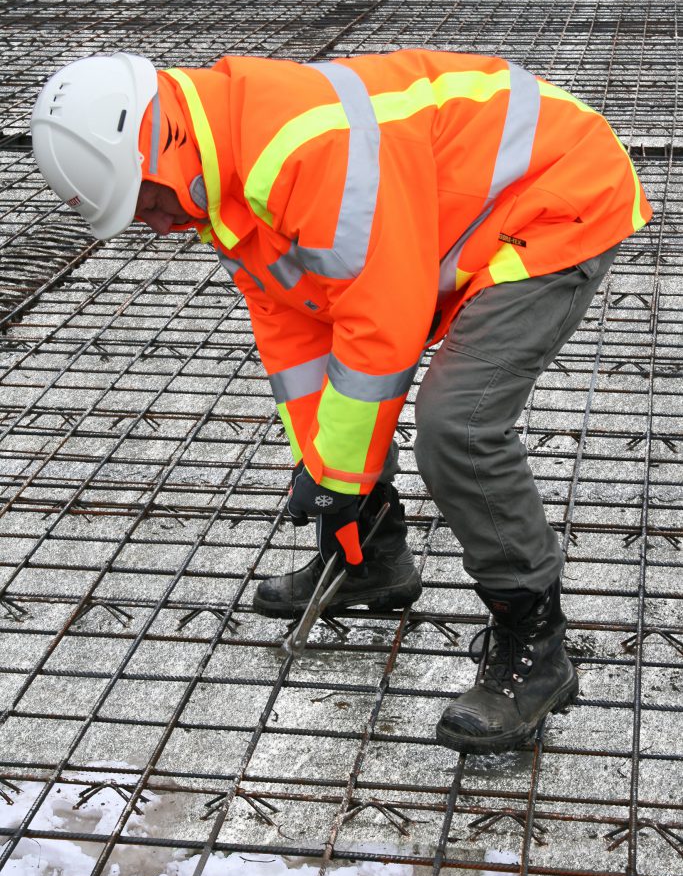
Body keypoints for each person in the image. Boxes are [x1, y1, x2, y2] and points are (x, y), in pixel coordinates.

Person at [31, 49, 651, 754]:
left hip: (550, 198)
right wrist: (320, 468)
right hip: (457, 213)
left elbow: (381, 328)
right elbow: (296, 332)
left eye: (144, 202)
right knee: (345, 416)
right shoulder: (222, 183)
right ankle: (371, 562)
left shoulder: (305, 152)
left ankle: (535, 647)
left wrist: (340, 475)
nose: (155, 224)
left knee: (459, 425)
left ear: (160, 152)